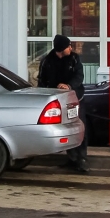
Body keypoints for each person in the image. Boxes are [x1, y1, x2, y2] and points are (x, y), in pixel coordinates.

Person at [37, 34, 89, 172]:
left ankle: (82, 158)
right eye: (68, 46)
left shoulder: (74, 59)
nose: (71, 48)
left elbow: (79, 76)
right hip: (58, 102)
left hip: (76, 100)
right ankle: (72, 158)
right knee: (66, 129)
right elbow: (42, 80)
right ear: (60, 49)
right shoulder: (47, 61)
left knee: (80, 127)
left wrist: (69, 86)